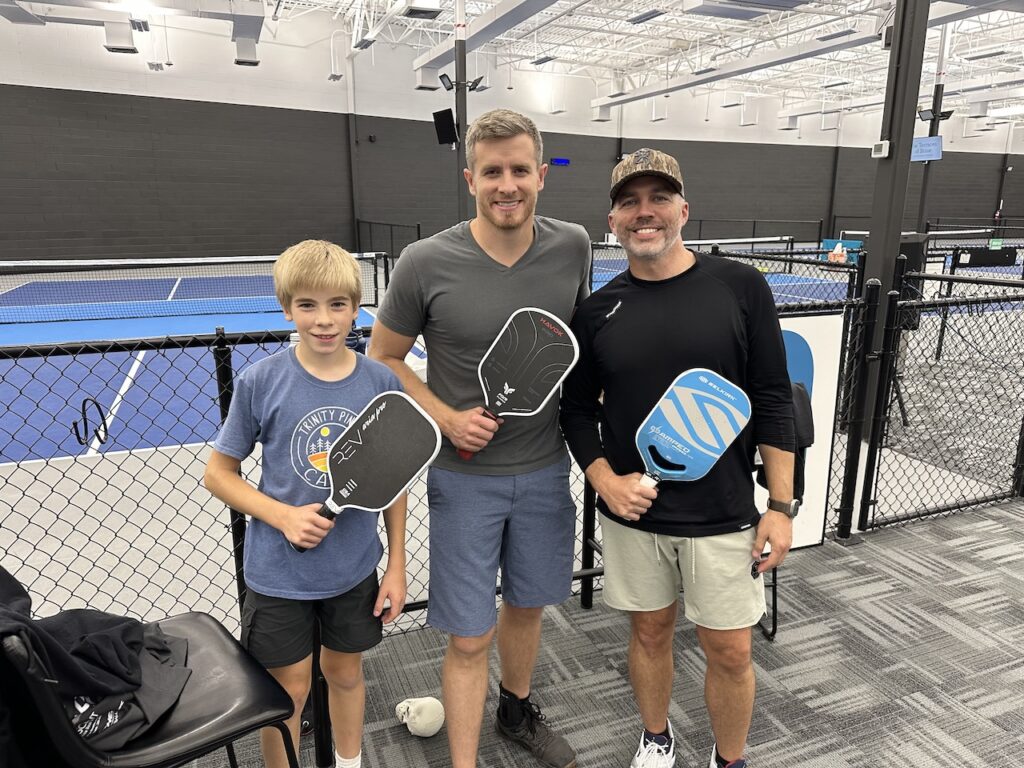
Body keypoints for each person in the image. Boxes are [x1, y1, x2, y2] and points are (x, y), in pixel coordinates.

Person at [559, 149, 796, 768]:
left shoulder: (740, 287)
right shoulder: (596, 311)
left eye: (658, 199)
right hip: (633, 516)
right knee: (649, 633)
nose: (645, 213)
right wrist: (606, 481)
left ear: (683, 210)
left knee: (731, 652)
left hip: (723, 514)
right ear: (612, 221)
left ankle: (729, 759)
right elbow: (576, 412)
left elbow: (773, 396)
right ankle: (656, 737)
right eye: (629, 202)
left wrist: (780, 505)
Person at [369, 108, 590, 768]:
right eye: (492, 172)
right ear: (471, 179)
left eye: (520, 170)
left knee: (527, 607)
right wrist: (445, 416)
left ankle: (516, 712)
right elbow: (382, 357)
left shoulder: (574, 246)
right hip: (463, 482)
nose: (507, 185)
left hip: (546, 470)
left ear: (542, 175)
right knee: (468, 637)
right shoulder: (424, 261)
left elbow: (575, 345)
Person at [204, 240, 407, 768]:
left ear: (357, 308)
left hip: (353, 567)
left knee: (345, 673)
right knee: (288, 691)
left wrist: (397, 566)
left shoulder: (381, 383)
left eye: (338, 304)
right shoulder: (261, 381)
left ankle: (350, 763)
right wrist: (283, 516)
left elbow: (393, 481)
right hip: (278, 575)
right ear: (287, 308)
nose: (323, 319)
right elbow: (218, 474)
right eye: (308, 305)